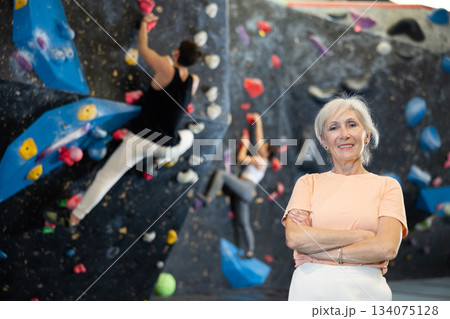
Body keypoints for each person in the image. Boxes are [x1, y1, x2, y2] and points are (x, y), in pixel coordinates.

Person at [45, 13, 202, 230]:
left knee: (107, 176)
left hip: (142, 140)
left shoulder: (165, 69)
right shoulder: (193, 80)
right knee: (189, 137)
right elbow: (178, 77)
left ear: (176, 52)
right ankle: (155, 161)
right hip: (167, 145)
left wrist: (144, 24)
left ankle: (75, 218)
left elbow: (144, 49)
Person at [282, 96, 408, 301]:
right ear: (324, 141)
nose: (344, 134)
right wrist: (362, 236)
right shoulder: (307, 183)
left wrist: (320, 252)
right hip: (309, 292)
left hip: (366, 294)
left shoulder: (388, 186)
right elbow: (295, 238)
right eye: (333, 128)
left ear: (366, 135)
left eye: (352, 125)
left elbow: (386, 247)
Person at [198, 113, 276, 258]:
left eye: (263, 147)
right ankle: (250, 251)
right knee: (243, 222)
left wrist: (245, 145)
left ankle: (208, 198)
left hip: (245, 187)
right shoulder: (263, 159)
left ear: (266, 153)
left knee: (221, 174)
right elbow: (259, 138)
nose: (260, 146)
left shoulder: (261, 161)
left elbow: (241, 158)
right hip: (246, 190)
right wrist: (258, 122)